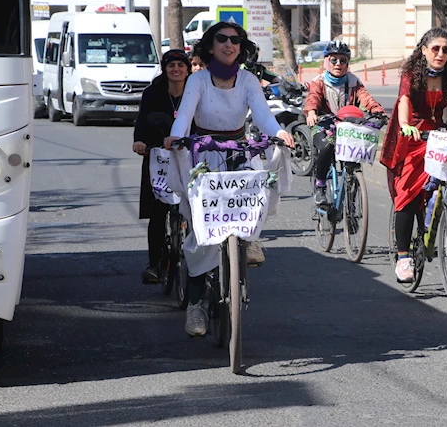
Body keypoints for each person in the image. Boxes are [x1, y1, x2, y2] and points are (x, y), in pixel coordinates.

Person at [163, 21, 295, 337]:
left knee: (255, 187)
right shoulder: (197, 80)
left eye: (235, 40)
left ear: (240, 47)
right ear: (210, 46)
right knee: (202, 232)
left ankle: (248, 238)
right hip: (203, 154)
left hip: (238, 150)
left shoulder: (249, 80)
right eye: (221, 39)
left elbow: (262, 115)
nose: (229, 44)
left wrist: (278, 133)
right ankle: (196, 306)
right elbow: (184, 116)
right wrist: (175, 137)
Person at [380, 28, 447, 283]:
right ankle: (403, 258)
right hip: (412, 135)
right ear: (424, 50)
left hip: (439, 136)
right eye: (435, 49)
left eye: (445, 49)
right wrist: (405, 123)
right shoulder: (412, 72)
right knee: (408, 196)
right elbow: (404, 99)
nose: (441, 54)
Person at [133, 49, 191, 283]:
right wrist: (139, 141)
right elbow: (142, 119)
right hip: (158, 154)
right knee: (158, 213)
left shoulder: (195, 91)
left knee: (195, 207)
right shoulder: (153, 92)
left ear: (188, 69)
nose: (176, 69)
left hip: (189, 154)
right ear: (165, 69)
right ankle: (154, 264)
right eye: (171, 65)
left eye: (180, 65)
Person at [304, 40, 386, 206]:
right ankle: (320, 186)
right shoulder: (319, 81)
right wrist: (312, 112)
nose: (338, 64)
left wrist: (378, 111)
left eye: (343, 60)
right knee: (327, 146)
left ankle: (351, 203)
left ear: (348, 63)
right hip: (323, 124)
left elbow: (366, 99)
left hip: (347, 125)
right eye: (334, 60)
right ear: (327, 61)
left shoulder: (353, 82)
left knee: (353, 160)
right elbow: (313, 97)